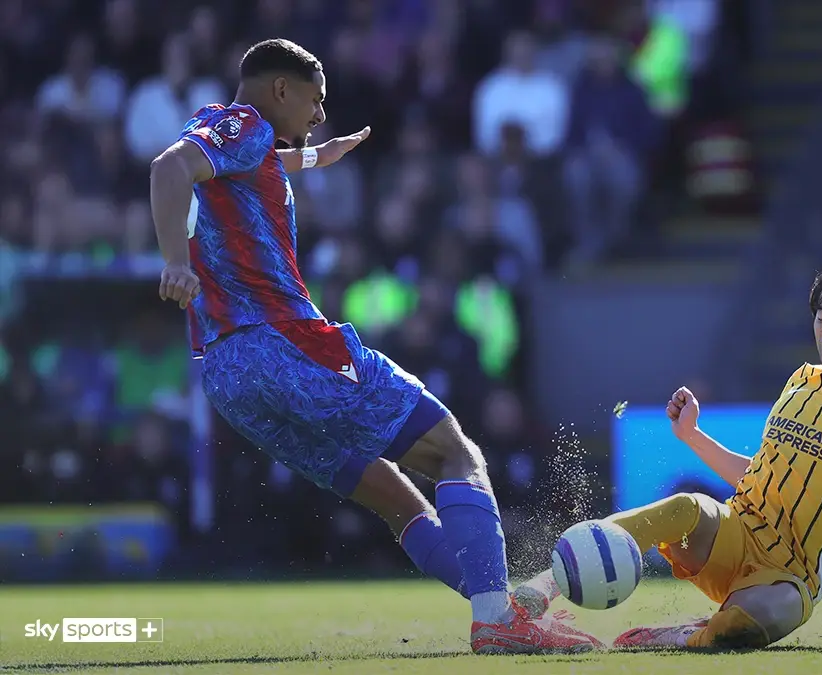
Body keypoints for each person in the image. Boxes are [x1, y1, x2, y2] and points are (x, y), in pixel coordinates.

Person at [149, 39, 600, 655]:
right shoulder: (246, 124)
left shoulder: (233, 137)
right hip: (283, 343)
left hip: (227, 376)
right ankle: (497, 619)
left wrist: (315, 157)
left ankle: (502, 606)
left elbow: (244, 167)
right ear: (281, 90)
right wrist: (175, 262)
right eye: (315, 100)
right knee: (454, 452)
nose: (319, 114)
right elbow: (168, 169)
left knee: (395, 497)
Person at [512, 244, 822, 649]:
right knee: (684, 507)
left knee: (740, 627)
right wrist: (691, 435)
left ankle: (685, 635)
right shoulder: (801, 380)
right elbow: (760, 474)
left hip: (791, 575)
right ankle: (539, 590)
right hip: (734, 532)